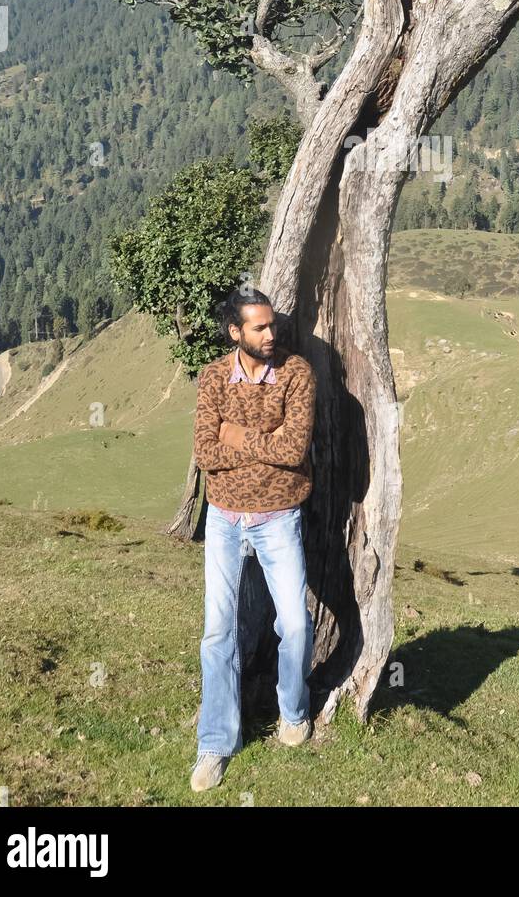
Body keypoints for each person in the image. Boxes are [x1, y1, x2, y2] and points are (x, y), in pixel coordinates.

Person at [189, 286, 316, 793]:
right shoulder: (214, 376)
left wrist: (236, 436)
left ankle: (293, 710)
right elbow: (204, 450)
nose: (271, 334)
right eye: (259, 327)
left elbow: (293, 449)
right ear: (235, 331)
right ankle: (216, 743)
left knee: (296, 624)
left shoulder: (297, 373)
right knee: (218, 634)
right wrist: (258, 446)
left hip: (279, 517)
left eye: (272, 325)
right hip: (223, 519)